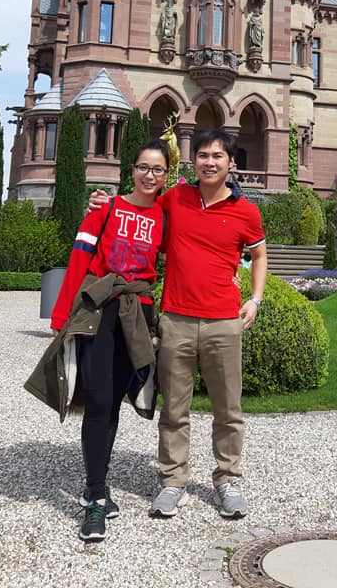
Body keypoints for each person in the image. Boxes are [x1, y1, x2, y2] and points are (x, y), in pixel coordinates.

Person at [89, 127, 267, 519]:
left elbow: (258, 255)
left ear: (230, 163)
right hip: (177, 320)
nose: (209, 162)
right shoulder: (176, 198)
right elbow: (140, 203)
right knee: (174, 410)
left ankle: (227, 479)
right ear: (194, 161)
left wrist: (254, 299)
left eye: (217, 156)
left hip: (223, 321)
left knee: (228, 409)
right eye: (202, 155)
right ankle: (173, 481)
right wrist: (104, 204)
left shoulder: (246, 211)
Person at [46, 140, 169, 542]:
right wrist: (62, 316)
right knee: (98, 400)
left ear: (167, 176)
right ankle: (95, 497)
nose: (150, 175)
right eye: (144, 167)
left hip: (138, 313)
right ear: (131, 170)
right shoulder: (107, 208)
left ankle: (97, 481)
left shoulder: (166, 216)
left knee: (114, 400)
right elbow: (80, 258)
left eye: (158, 170)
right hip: (101, 309)